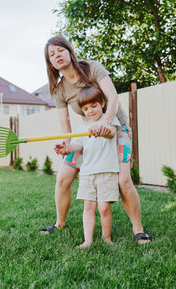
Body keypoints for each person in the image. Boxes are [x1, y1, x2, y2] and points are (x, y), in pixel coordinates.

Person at [41, 35, 152, 244]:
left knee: (123, 180)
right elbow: (65, 124)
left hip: (116, 129)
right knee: (63, 177)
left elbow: (113, 97)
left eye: (60, 50)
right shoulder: (59, 89)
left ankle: (138, 229)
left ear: (69, 51)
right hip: (88, 135)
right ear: (50, 63)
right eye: (51, 55)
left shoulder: (91, 68)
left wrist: (107, 122)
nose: (57, 56)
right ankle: (59, 223)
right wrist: (66, 145)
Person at [54, 86, 120, 248]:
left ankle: (106, 238)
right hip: (87, 173)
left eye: (94, 106)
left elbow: (111, 133)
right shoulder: (82, 128)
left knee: (104, 208)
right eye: (86, 108)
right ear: (82, 111)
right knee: (88, 207)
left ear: (102, 104)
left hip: (106, 172)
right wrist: (67, 148)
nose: (90, 111)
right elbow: (78, 146)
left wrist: (101, 129)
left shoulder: (109, 120)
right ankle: (87, 241)